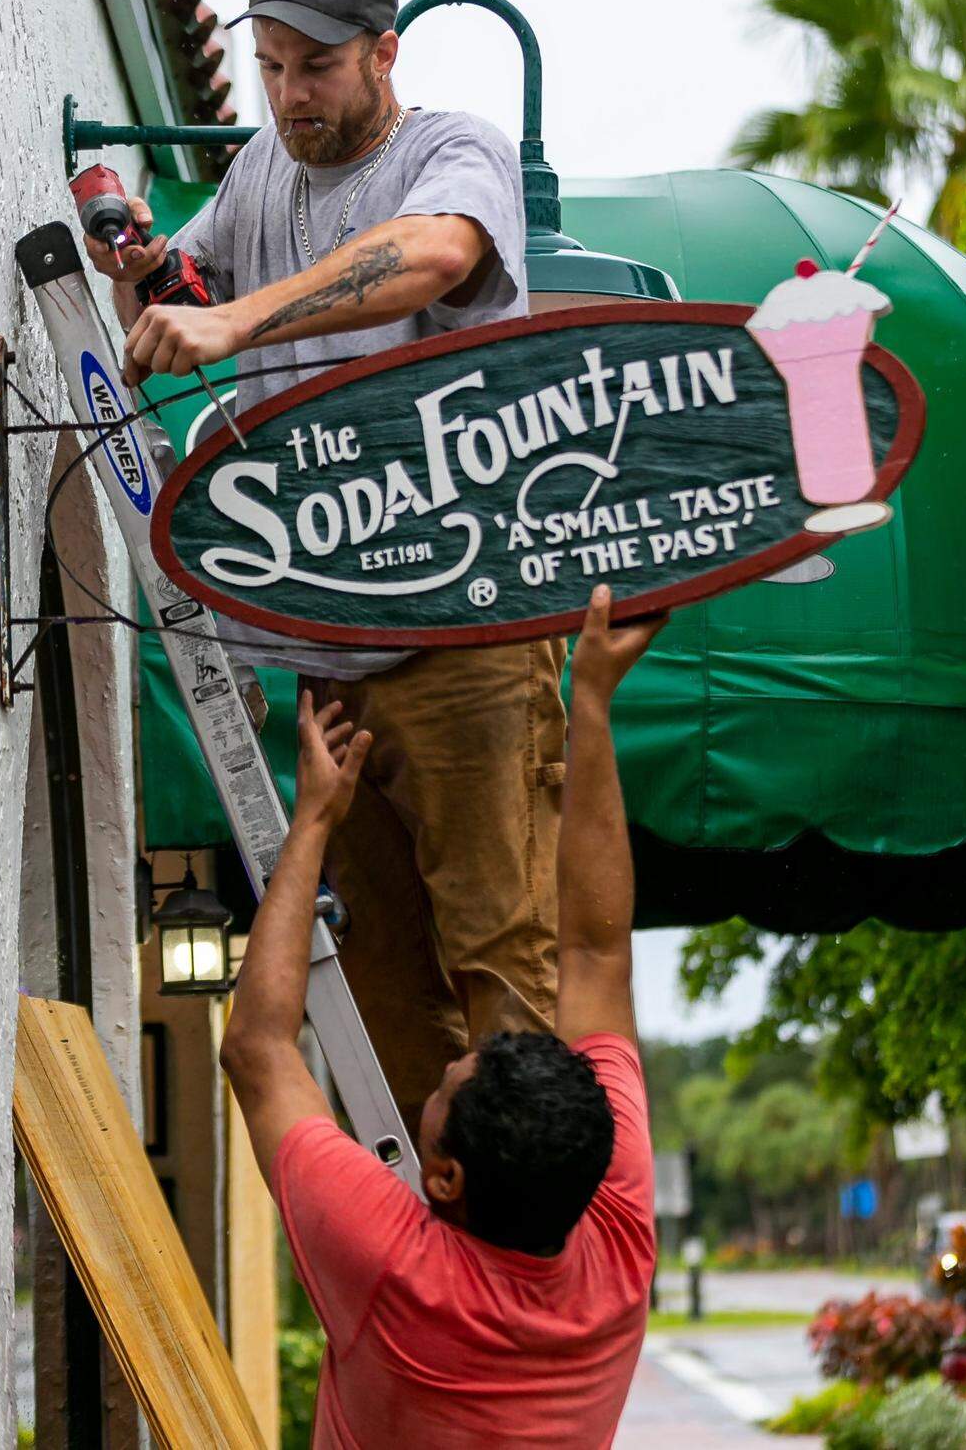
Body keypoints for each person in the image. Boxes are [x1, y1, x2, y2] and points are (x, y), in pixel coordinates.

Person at [85, 0, 566, 1130]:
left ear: (384, 53)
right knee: (386, 1002)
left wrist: (239, 319)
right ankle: (433, 1256)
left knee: (506, 972)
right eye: (273, 67)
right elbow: (175, 306)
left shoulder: (453, 149)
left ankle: (532, 1272)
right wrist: (143, 263)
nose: (291, 96)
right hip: (325, 661)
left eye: (318, 67)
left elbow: (436, 253)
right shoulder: (257, 171)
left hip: (465, 644)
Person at [221, 584, 664, 1448]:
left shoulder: (398, 1271)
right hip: (378, 630)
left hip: (444, 642)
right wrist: (594, 706)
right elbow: (595, 954)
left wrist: (595, 701)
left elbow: (255, 1048)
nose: (466, 1051)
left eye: (453, 1080)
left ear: (445, 1178)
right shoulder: (598, 1231)